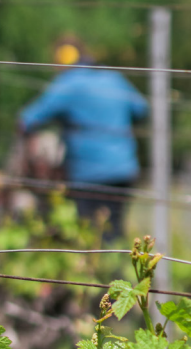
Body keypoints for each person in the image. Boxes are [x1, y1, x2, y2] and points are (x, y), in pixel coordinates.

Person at [18, 37, 148, 242]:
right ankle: (117, 270)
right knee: (113, 231)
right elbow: (141, 109)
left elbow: (27, 119)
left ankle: (96, 271)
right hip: (124, 169)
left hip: (88, 175)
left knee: (89, 234)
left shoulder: (68, 83)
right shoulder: (114, 78)